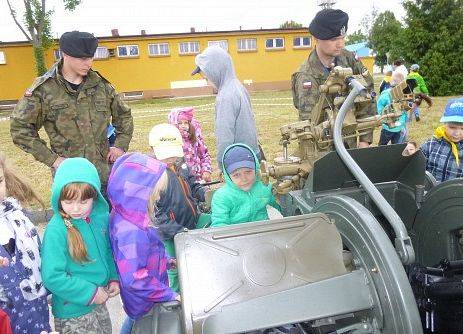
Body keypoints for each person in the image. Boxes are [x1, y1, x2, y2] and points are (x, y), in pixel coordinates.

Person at [10, 31, 134, 195]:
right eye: (83, 58)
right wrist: (53, 160)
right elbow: (20, 129)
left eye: (91, 57)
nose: (89, 63)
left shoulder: (101, 86)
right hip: (71, 180)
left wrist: (120, 145)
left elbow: (124, 115)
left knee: (106, 218)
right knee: (74, 219)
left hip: (104, 176)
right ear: (65, 55)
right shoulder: (44, 89)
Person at [41, 157, 120, 333]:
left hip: (99, 301)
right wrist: (90, 293)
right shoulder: (56, 230)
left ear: (95, 196)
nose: (76, 208)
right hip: (73, 312)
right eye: (68, 202)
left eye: (83, 201)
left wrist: (113, 277)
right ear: (58, 197)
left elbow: (107, 251)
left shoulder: (100, 218)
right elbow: (52, 276)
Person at [107, 152, 179, 334]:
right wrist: (169, 294)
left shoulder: (130, 214)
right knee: (139, 321)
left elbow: (147, 254)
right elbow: (134, 279)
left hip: (144, 297)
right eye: (156, 192)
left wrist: (167, 261)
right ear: (140, 192)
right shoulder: (131, 231)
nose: (160, 196)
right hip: (144, 300)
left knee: (133, 320)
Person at [291, 8, 375, 148]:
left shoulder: (349, 60)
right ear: (316, 38)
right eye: (334, 39)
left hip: (352, 144)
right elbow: (308, 124)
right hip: (323, 149)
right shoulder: (306, 76)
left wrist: (365, 140)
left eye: (342, 37)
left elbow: (367, 94)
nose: (340, 44)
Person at [148, 124, 210, 291]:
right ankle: (174, 298)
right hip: (170, 233)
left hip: (192, 220)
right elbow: (156, 215)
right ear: (153, 149)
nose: (170, 158)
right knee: (175, 268)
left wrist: (205, 193)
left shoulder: (180, 164)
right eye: (166, 155)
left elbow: (193, 184)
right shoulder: (153, 175)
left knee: (215, 224)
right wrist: (178, 231)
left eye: (174, 153)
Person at [0, 153, 51, 334]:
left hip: (37, 316)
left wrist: (50, 288)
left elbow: (39, 252)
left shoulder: (18, 217)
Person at [191, 45, 260, 167]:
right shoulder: (238, 86)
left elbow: (225, 135)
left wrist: (222, 163)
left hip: (237, 161)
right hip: (251, 154)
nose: (207, 82)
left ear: (216, 71)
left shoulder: (225, 96)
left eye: (207, 77)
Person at [211, 144, 280, 227]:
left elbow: (281, 207)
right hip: (236, 235)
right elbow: (219, 225)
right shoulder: (222, 197)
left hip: (263, 231)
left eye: (248, 172)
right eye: (236, 175)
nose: (244, 179)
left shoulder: (265, 187)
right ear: (228, 176)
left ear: (256, 169)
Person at [421, 97, 463, 182]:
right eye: (452, 127)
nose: (457, 133)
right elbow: (415, 166)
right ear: (444, 124)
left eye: (462, 129)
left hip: (456, 194)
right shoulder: (431, 144)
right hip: (431, 193)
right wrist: (410, 152)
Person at [168, 107, 212, 182]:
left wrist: (206, 170)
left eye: (186, 123)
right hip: (181, 181)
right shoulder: (172, 142)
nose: (183, 125)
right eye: (180, 123)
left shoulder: (195, 139)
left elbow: (204, 155)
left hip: (198, 179)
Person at [377, 72, 409, 145]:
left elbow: (380, 106)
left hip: (390, 126)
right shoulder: (402, 93)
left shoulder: (386, 93)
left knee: (382, 145)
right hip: (395, 125)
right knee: (395, 145)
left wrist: (382, 116)